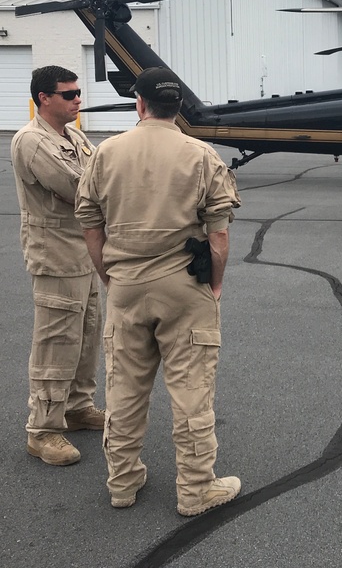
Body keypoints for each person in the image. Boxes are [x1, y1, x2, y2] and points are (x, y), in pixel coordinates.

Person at [75, 67, 242, 516]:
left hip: (126, 287)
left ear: (140, 104)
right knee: (191, 390)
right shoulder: (202, 155)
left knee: (125, 390)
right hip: (185, 286)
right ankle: (195, 489)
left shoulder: (105, 153)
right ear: (179, 106)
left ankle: (123, 483)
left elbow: (91, 225)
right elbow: (218, 236)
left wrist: (110, 277)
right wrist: (216, 282)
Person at [11, 65, 105, 467]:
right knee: (56, 340)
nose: (77, 99)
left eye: (78, 92)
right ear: (44, 98)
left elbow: (99, 173)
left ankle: (77, 407)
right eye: (68, 94)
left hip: (84, 252)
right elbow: (78, 188)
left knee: (86, 335)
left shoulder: (76, 136)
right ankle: (43, 429)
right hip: (56, 254)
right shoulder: (32, 141)